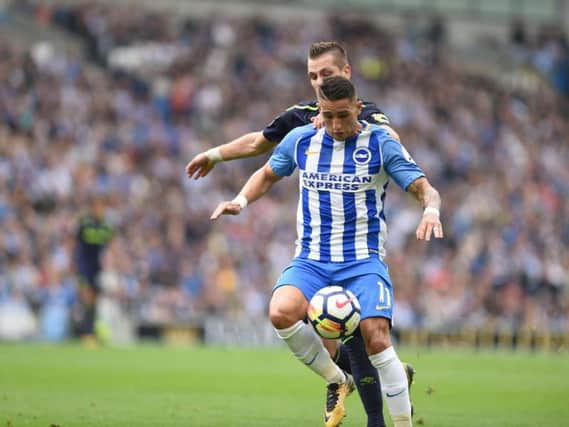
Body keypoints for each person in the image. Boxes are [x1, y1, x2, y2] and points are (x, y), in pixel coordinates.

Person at [188, 41, 405, 427]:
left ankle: (375, 408)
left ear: (347, 75)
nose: (319, 81)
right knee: (336, 335)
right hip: (316, 255)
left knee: (360, 339)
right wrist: (216, 155)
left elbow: (391, 147)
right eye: (313, 76)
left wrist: (341, 124)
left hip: (357, 251)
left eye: (327, 74)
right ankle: (349, 384)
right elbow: (259, 143)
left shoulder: (369, 115)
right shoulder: (302, 117)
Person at [73, 195, 113, 345]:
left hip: (98, 267)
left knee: (95, 300)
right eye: (96, 207)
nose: (99, 210)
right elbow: (75, 243)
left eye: (101, 207)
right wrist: (74, 264)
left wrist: (110, 261)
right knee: (87, 297)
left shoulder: (106, 225)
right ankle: (86, 332)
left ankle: (91, 331)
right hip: (84, 265)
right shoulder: (84, 223)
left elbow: (110, 245)